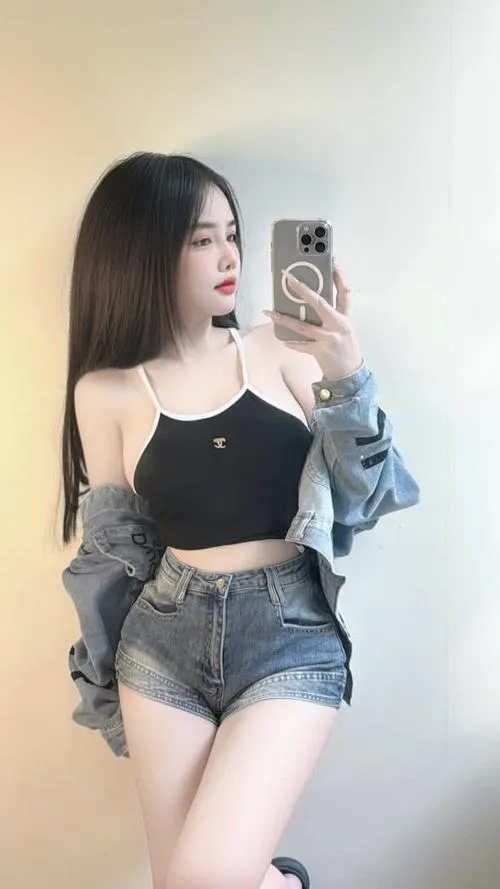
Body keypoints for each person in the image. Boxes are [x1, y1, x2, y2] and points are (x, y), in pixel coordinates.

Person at [60, 152, 420, 889]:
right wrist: (101, 682)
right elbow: (112, 554)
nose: (229, 257)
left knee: (205, 878)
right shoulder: (106, 392)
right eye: (202, 239)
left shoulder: (280, 347)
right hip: (162, 642)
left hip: (290, 636)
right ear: (139, 253)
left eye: (232, 234)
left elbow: (368, 495)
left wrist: (346, 371)